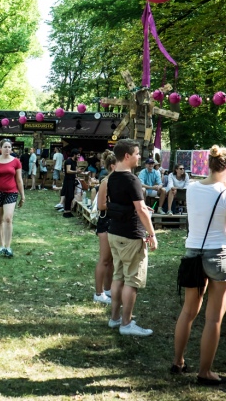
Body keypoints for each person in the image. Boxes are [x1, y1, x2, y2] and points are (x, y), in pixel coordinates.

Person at [172, 146, 226, 386]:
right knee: (213, 318)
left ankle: (178, 361)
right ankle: (205, 372)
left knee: (188, 312)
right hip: (219, 255)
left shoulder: (191, 188)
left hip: (193, 253)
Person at [100, 139, 157, 337]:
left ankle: (114, 318)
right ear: (127, 156)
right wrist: (152, 234)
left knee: (118, 277)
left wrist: (139, 208)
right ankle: (126, 323)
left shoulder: (112, 177)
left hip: (114, 233)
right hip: (131, 235)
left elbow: (123, 203)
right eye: (137, 153)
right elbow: (141, 209)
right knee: (132, 280)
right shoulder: (131, 179)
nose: (139, 156)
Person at [93, 153, 116, 304]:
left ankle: (108, 289)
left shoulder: (119, 181)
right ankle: (98, 293)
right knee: (105, 259)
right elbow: (101, 206)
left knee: (112, 260)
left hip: (115, 222)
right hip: (105, 222)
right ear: (113, 166)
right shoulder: (106, 182)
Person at [59, 149, 81, 218]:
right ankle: (66, 211)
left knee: (71, 196)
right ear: (74, 154)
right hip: (68, 180)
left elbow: (75, 170)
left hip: (72, 180)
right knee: (68, 195)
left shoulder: (75, 162)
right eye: (78, 155)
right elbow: (68, 171)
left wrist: (77, 175)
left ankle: (68, 211)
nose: (79, 156)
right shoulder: (68, 161)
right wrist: (76, 172)